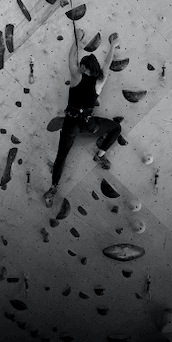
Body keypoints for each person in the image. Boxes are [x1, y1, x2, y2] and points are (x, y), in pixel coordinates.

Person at [44, 29, 122, 208]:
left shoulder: (76, 76)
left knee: (61, 155)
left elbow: (70, 57)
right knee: (116, 128)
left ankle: (54, 186)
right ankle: (100, 154)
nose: (79, 67)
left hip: (71, 124)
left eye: (82, 65)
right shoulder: (99, 81)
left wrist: (77, 39)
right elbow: (107, 63)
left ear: (86, 68)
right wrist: (113, 46)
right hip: (88, 125)